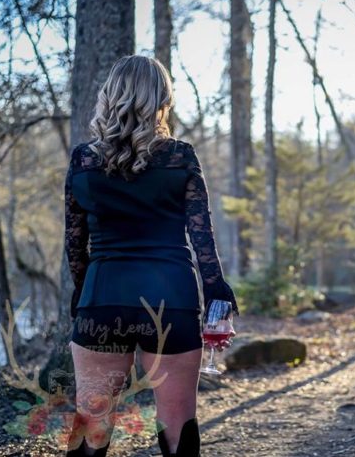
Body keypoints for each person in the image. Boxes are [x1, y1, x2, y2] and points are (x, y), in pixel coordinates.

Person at [63, 55, 238, 457]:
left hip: (103, 297)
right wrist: (216, 289)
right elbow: (201, 235)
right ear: (163, 97)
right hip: (171, 300)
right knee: (179, 430)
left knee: (92, 427)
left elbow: (75, 244)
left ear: (110, 96)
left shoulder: (84, 160)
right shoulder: (179, 156)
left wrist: (81, 294)